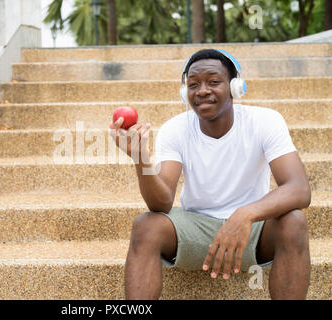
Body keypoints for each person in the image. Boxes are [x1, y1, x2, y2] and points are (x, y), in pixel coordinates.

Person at [109, 49, 311, 300]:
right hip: (196, 229)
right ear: (185, 93)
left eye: (214, 82)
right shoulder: (176, 129)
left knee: (294, 221)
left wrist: (245, 215)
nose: (202, 90)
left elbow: (299, 189)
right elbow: (160, 203)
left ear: (235, 87)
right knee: (145, 225)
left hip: (253, 232)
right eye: (193, 84)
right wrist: (141, 160)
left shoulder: (265, 121)